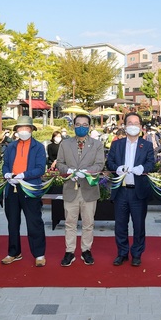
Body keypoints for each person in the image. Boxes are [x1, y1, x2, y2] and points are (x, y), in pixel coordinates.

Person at [106, 112, 155, 267]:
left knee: (139, 225)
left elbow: (151, 164)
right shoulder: (117, 144)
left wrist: (143, 168)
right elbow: (110, 162)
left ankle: (137, 253)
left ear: (140, 127)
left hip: (138, 192)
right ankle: (122, 253)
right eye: (130, 123)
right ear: (125, 126)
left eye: (136, 123)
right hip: (121, 191)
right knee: (120, 225)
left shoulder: (146, 145)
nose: (133, 126)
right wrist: (117, 168)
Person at [56, 113, 105, 267]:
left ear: (89, 127)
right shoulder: (65, 144)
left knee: (88, 222)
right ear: (74, 125)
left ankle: (86, 250)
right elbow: (60, 163)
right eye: (78, 124)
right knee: (70, 222)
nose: (81, 127)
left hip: (89, 188)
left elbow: (99, 164)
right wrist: (69, 170)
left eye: (85, 124)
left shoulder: (97, 145)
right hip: (70, 188)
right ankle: (69, 251)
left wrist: (86, 172)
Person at [1, 116, 47, 267]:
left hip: (30, 187)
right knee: (12, 222)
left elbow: (40, 168)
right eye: (20, 128)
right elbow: (5, 165)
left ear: (32, 130)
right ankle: (14, 252)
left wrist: (24, 175)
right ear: (16, 131)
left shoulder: (38, 147)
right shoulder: (11, 147)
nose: (23, 131)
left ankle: (39, 254)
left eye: (27, 128)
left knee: (34, 221)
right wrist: (7, 174)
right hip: (12, 187)